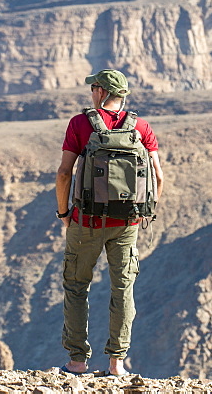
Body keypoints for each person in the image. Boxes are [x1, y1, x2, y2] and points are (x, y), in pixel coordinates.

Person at [54, 69, 164, 376]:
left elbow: (64, 173)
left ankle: (77, 362)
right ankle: (117, 363)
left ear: (101, 91)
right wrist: (145, 211)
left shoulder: (80, 124)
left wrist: (64, 214)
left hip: (85, 221)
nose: (91, 91)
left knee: (76, 286)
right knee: (123, 288)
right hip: (128, 222)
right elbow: (158, 175)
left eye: (93, 87)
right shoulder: (141, 126)